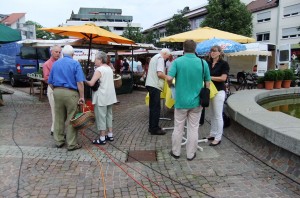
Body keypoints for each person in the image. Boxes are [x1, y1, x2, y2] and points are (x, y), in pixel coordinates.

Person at [167, 40, 211, 160]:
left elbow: (169, 78)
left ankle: (175, 152)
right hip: (197, 103)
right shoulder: (203, 63)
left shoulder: (177, 62)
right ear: (195, 49)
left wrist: (171, 84)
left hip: (181, 102)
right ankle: (190, 154)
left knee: (178, 128)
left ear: (183, 48)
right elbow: (208, 82)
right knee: (193, 128)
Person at [48, 45, 85, 151]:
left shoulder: (56, 64)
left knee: (59, 117)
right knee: (72, 118)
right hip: (71, 93)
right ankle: (71, 144)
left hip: (57, 92)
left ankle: (59, 141)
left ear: (62, 54)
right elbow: (80, 82)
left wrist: (56, 90)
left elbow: (50, 82)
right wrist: (82, 97)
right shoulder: (75, 63)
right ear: (73, 54)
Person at [85, 51, 117, 145]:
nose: (94, 60)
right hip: (110, 96)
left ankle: (102, 138)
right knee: (109, 115)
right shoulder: (109, 69)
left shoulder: (99, 70)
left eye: (95, 58)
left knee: (101, 117)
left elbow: (91, 83)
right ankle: (110, 134)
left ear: (100, 59)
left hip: (101, 96)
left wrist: (82, 79)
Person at [205, 45, 230, 146]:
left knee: (218, 115)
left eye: (215, 51)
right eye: (211, 51)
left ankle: (218, 137)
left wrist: (209, 77)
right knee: (212, 114)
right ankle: (212, 133)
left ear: (220, 53)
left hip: (219, 91)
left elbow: (223, 78)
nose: (212, 53)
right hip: (210, 91)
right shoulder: (208, 63)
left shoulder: (224, 64)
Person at [145, 48, 171, 135]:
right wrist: (167, 77)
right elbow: (159, 73)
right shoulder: (160, 58)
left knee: (153, 108)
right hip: (155, 85)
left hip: (150, 84)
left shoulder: (154, 57)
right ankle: (154, 128)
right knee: (156, 108)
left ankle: (152, 127)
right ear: (164, 53)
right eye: (167, 57)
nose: (166, 58)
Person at [42, 45, 61, 136]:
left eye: (59, 52)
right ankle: (54, 129)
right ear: (51, 52)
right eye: (56, 52)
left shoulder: (61, 62)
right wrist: (54, 88)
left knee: (60, 111)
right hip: (53, 88)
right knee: (54, 109)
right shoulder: (47, 64)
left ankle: (56, 129)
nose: (58, 54)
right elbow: (46, 79)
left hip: (61, 89)